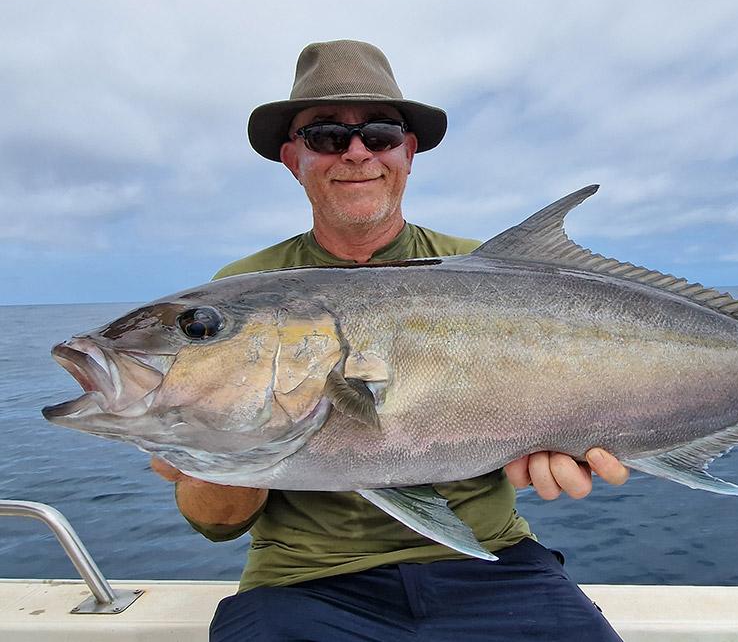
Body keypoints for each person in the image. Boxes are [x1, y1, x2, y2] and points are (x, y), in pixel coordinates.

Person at [152, 40, 630, 641]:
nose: (355, 153)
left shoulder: (488, 273)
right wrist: (214, 455)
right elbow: (216, 525)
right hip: (305, 582)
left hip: (492, 563)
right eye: (325, 135)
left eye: (378, 133)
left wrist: (581, 436)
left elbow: (583, 375)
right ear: (291, 158)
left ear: (407, 152)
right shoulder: (242, 293)